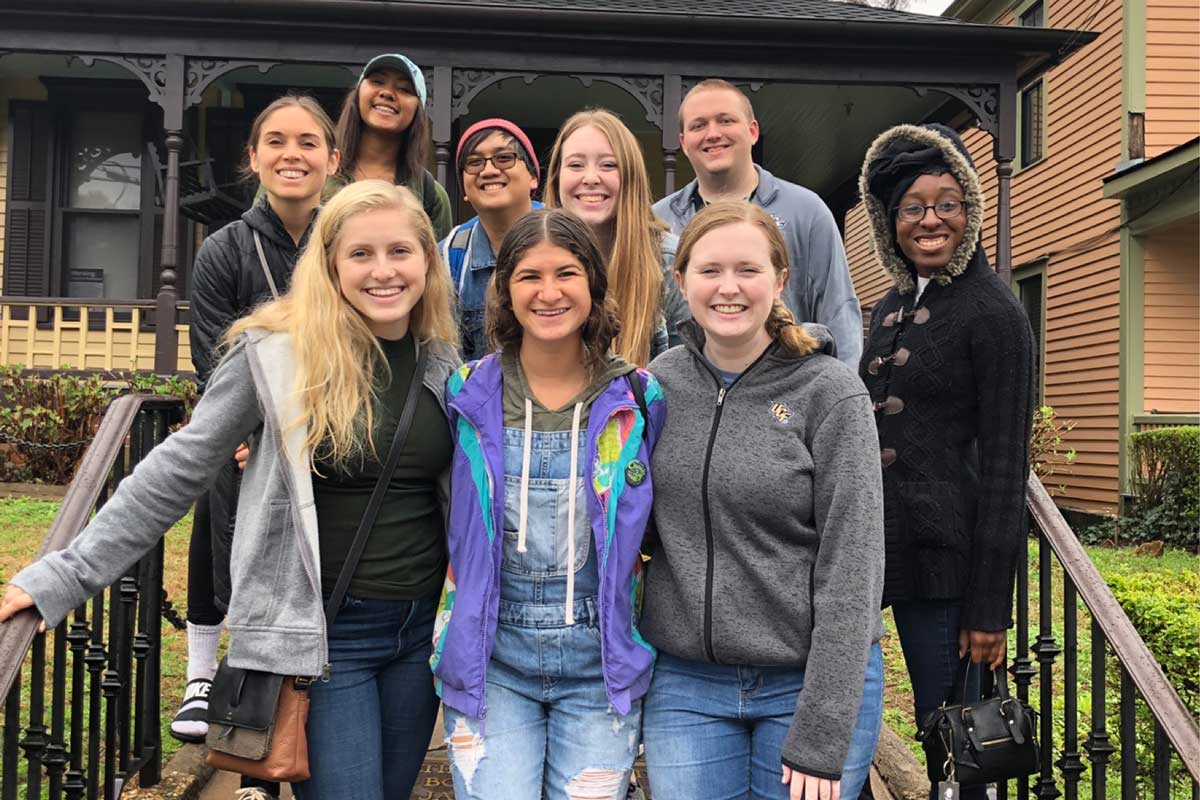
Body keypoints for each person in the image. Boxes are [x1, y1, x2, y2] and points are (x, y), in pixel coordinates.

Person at [0, 182, 461, 800]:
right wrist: (60, 576)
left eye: (401, 251)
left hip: (418, 633)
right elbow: (176, 469)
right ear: (329, 265)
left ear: (428, 261)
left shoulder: (442, 360)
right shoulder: (277, 355)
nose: (384, 271)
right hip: (322, 635)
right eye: (361, 254)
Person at [640, 201, 885, 800]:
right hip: (686, 684)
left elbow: (853, 569)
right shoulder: (657, 386)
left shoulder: (829, 393)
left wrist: (823, 732)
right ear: (682, 280)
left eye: (748, 270)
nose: (729, 288)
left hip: (805, 683)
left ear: (779, 280)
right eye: (710, 270)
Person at [431, 209, 665, 799]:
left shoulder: (636, 397)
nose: (550, 292)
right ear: (505, 290)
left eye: (567, 273)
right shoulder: (467, 392)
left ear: (593, 284)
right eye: (530, 276)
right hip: (491, 658)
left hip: (601, 661)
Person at [858, 123, 1035, 800]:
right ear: (890, 221)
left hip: (949, 566)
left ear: (972, 213)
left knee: (961, 741)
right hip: (888, 554)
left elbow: (1003, 470)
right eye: (912, 207)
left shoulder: (995, 312)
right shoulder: (892, 306)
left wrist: (990, 608)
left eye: (947, 203)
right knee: (932, 729)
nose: (930, 219)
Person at [174, 94, 340, 800]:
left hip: (333, 435)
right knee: (244, 554)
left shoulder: (343, 240)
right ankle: (225, 706)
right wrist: (249, 436)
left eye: (308, 141)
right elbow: (215, 358)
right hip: (252, 436)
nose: (291, 154)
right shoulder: (225, 249)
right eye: (275, 141)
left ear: (333, 159)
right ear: (254, 158)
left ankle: (306, 727)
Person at [652, 79, 863, 368]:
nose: (713, 133)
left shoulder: (806, 211)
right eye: (698, 125)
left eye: (725, 120)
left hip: (787, 397)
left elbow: (840, 314)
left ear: (753, 131)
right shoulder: (658, 222)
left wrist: (843, 396)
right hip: (685, 401)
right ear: (683, 143)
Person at [543, 108, 689, 364]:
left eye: (608, 165)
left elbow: (687, 379)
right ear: (556, 178)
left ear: (631, 176)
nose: (590, 178)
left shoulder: (671, 261)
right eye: (576, 165)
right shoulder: (531, 258)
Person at [440, 118, 543, 361]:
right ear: (464, 189)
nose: (489, 171)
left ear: (533, 177)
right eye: (474, 163)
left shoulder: (568, 241)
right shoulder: (448, 257)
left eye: (504, 158)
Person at [335, 52, 454, 239]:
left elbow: (437, 265)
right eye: (377, 81)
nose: (387, 93)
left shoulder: (431, 194)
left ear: (418, 110)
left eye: (405, 89)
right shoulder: (319, 173)